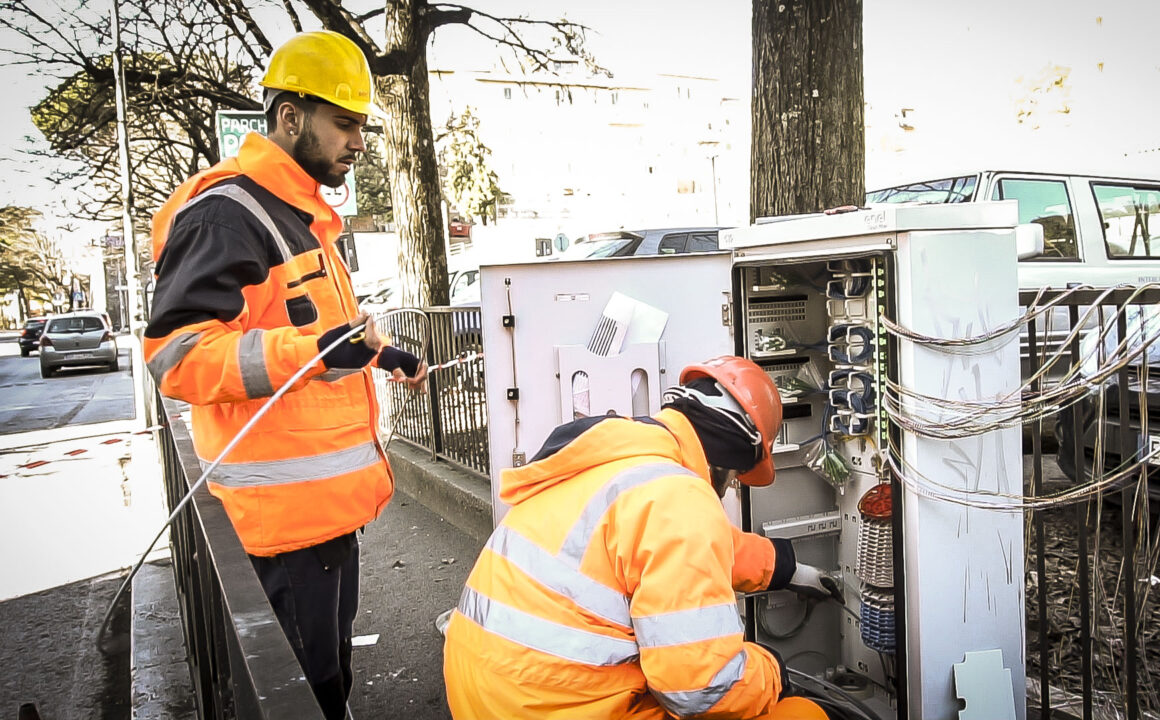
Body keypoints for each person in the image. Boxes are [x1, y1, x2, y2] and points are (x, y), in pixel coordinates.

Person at [143, 30, 425, 719]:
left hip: (322, 516)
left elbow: (312, 331)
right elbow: (176, 357)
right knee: (306, 695)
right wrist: (313, 353)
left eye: (362, 125)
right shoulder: (229, 214)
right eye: (344, 123)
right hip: (280, 527)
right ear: (289, 117)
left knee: (329, 684)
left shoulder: (302, 217)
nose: (358, 142)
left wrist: (381, 353)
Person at [443, 355, 841, 719]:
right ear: (729, 454)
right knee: (802, 715)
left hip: (483, 691)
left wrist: (786, 569)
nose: (728, 490)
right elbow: (700, 690)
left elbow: (686, 549)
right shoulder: (679, 497)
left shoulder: (620, 462)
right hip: (547, 707)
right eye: (736, 477)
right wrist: (772, 672)